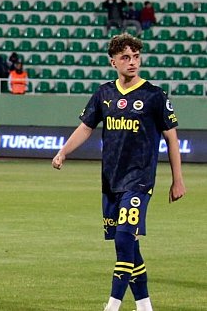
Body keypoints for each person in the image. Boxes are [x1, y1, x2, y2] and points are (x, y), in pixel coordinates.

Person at [52, 33, 185, 311]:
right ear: (113, 61)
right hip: (111, 180)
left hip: (139, 179)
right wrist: (64, 151)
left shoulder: (154, 95)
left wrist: (177, 180)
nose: (132, 62)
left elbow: (171, 138)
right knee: (128, 246)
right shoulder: (104, 93)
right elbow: (86, 127)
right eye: (126, 57)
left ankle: (112, 305)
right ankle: (145, 305)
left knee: (125, 237)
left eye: (136, 56)